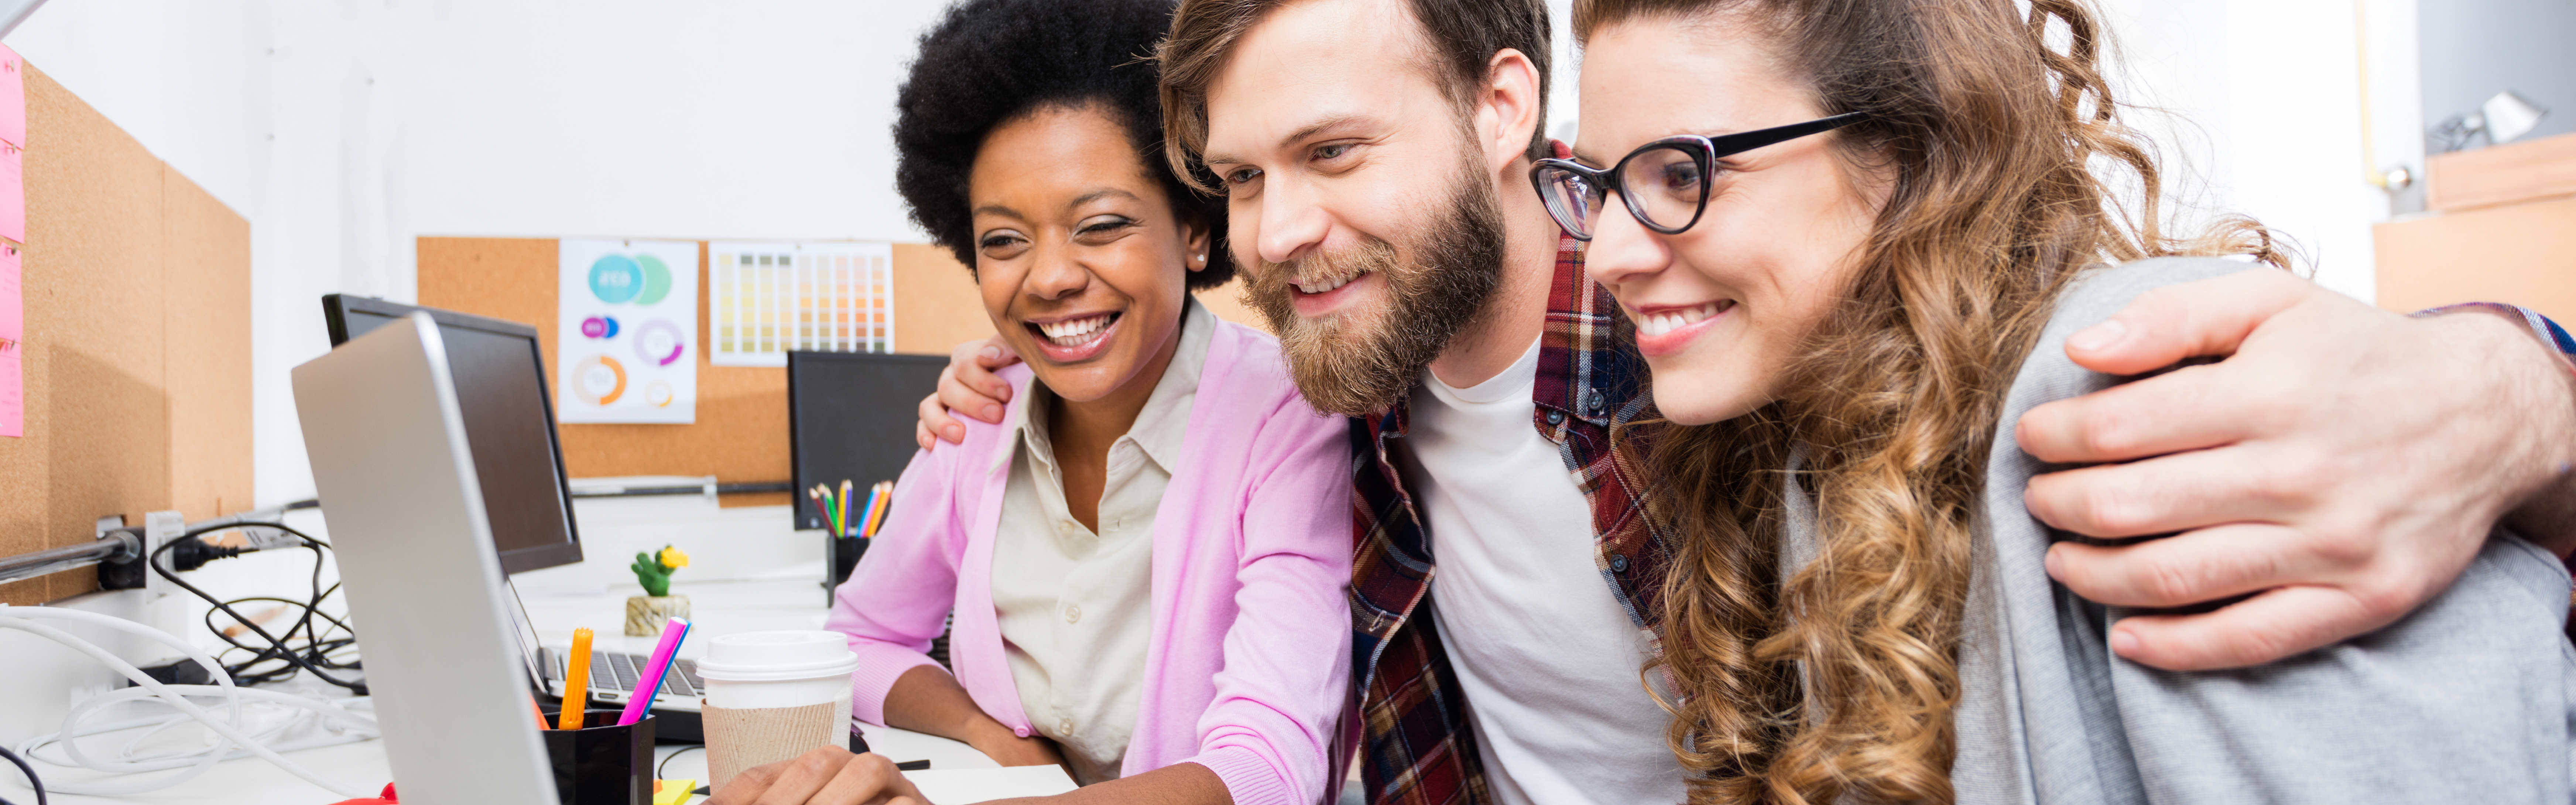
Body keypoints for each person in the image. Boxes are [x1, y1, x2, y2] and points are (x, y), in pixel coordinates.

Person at [918, 1, 2576, 804]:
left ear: (1506, 112)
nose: (1274, 235)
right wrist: (987, 398)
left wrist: (2523, 376)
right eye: (1238, 180)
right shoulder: (1342, 395)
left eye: (1335, 153)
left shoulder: (1714, 346)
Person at [1557, 0, 2576, 802]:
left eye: (1679, 172)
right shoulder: (1800, 427)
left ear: (1908, 151)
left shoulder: (2138, 391)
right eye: (1597, 185)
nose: (1606, 253)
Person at [708, 1, 1352, 803]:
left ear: (1193, 227)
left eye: (1101, 224)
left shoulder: (1288, 415)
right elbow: (863, 637)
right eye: (1004, 240)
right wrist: (992, 738)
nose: (1048, 277)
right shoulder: (980, 412)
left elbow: (1266, 768)